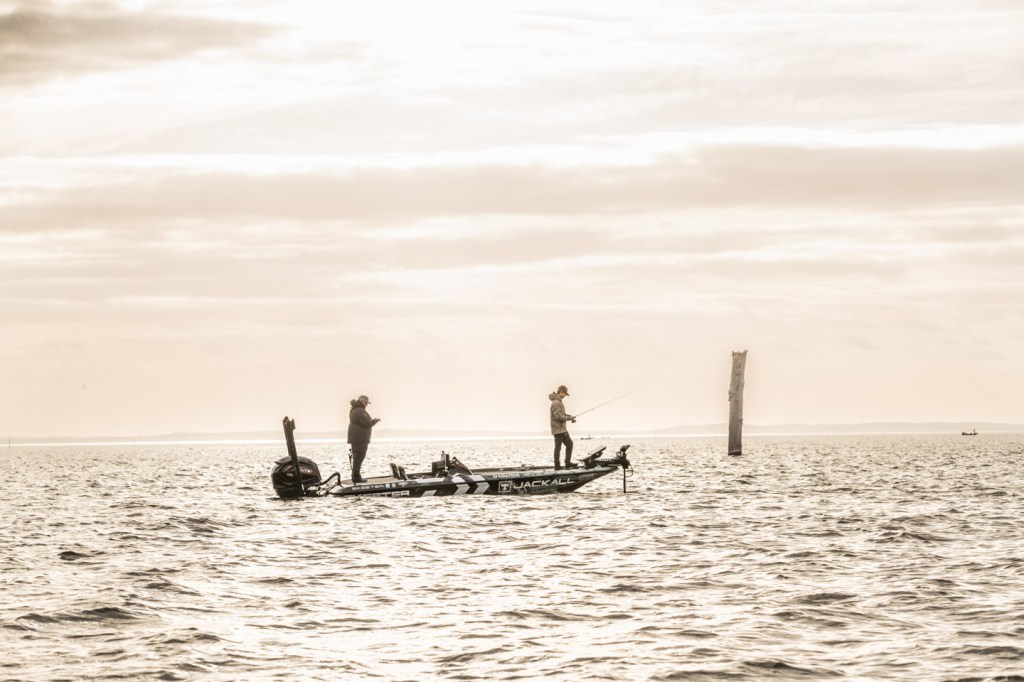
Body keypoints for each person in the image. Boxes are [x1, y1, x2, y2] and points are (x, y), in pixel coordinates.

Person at [347, 394, 380, 483]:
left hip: (356, 438)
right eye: (366, 403)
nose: (367, 405)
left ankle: (355, 476)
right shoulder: (360, 411)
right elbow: (367, 423)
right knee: (359, 458)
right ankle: (356, 477)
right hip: (360, 439)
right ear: (362, 402)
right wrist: (374, 421)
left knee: (357, 458)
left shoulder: (354, 409)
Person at [549, 385, 576, 469]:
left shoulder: (559, 402)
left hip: (562, 429)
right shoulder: (556, 403)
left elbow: (562, 415)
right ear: (561, 392)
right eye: (564, 394)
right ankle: (557, 466)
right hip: (558, 429)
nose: (565, 396)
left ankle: (567, 463)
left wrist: (570, 417)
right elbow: (558, 417)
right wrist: (569, 418)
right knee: (558, 448)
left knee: (570, 444)